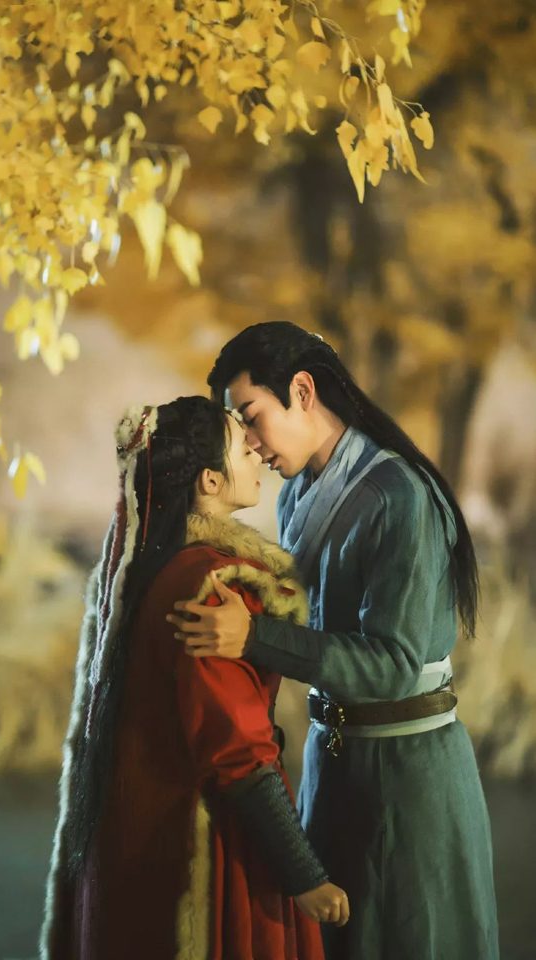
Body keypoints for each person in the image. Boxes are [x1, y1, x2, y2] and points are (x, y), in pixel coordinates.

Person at [168, 324, 500, 960]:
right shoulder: (296, 496)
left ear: (301, 390)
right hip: (332, 763)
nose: (250, 442)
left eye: (253, 417)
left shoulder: (399, 496)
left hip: (408, 778)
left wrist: (252, 637)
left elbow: (393, 667)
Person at [40, 396, 349, 960]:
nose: (255, 449)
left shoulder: (150, 572)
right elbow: (236, 748)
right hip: (205, 846)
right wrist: (303, 873)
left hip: (142, 840)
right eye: (241, 447)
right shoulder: (212, 588)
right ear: (210, 481)